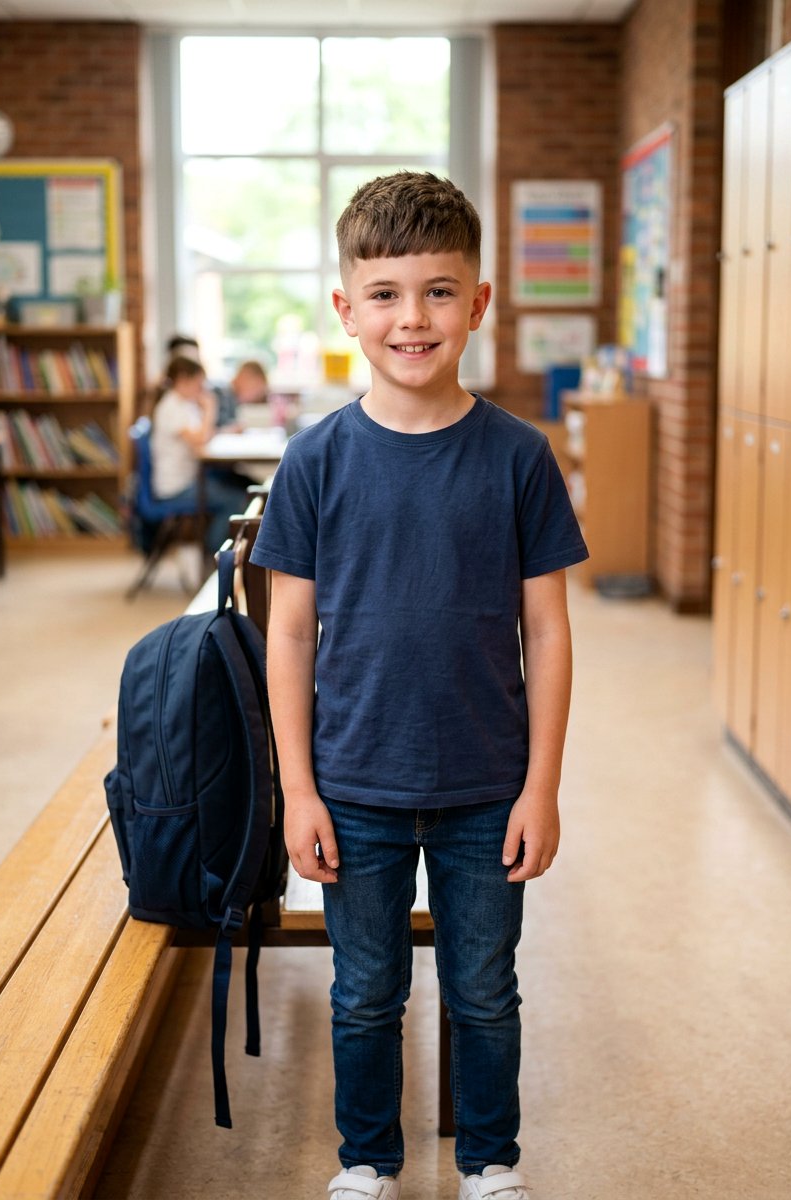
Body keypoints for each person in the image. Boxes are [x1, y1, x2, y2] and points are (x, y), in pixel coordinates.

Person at [251, 172, 588, 1200]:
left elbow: (547, 627)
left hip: (487, 780)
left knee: (485, 991)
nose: (413, 317)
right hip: (353, 780)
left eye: (439, 291)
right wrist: (297, 791)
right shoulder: (312, 462)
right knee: (364, 994)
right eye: (387, 293)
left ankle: (488, 1161)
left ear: (478, 304)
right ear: (346, 309)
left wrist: (541, 787)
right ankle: (367, 1161)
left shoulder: (519, 458)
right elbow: (291, 634)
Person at [150, 355, 248, 556]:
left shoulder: (183, 405)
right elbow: (200, 439)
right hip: (177, 487)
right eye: (198, 384)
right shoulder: (172, 407)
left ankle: (220, 552)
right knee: (236, 499)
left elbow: (203, 434)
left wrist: (225, 431)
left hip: (189, 479)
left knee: (241, 484)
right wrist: (211, 407)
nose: (201, 390)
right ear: (184, 380)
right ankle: (216, 555)